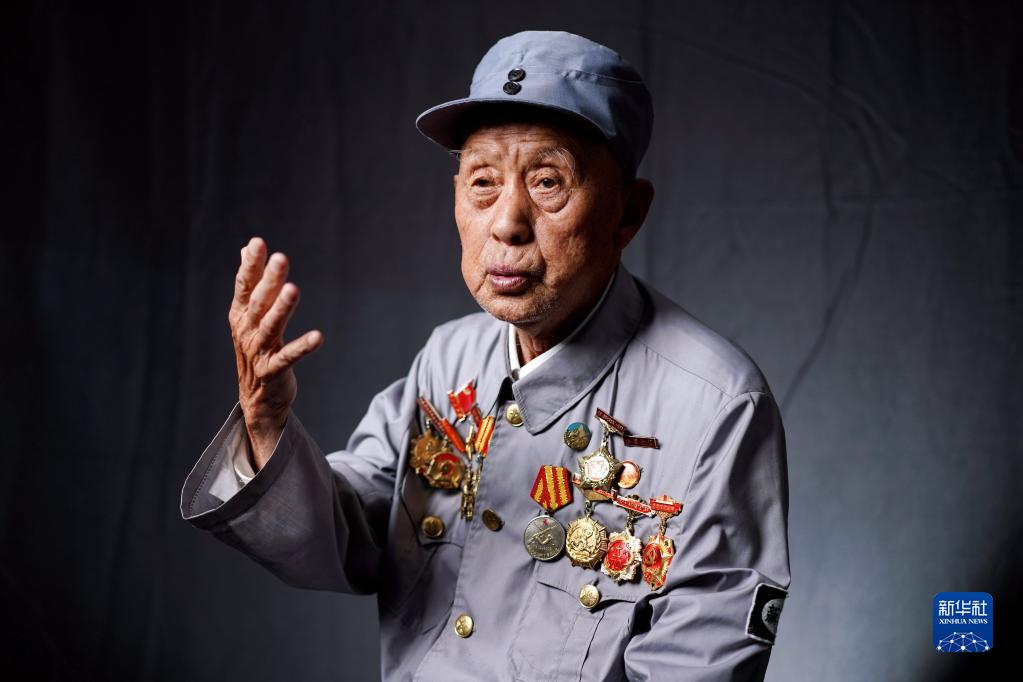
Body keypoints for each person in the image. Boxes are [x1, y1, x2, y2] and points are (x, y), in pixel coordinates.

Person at [181, 30, 790, 681]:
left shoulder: (715, 404)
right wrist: (266, 426)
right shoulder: (449, 357)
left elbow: (697, 664)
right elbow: (346, 537)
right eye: (482, 182)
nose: (506, 223)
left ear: (627, 213)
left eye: (548, 181)